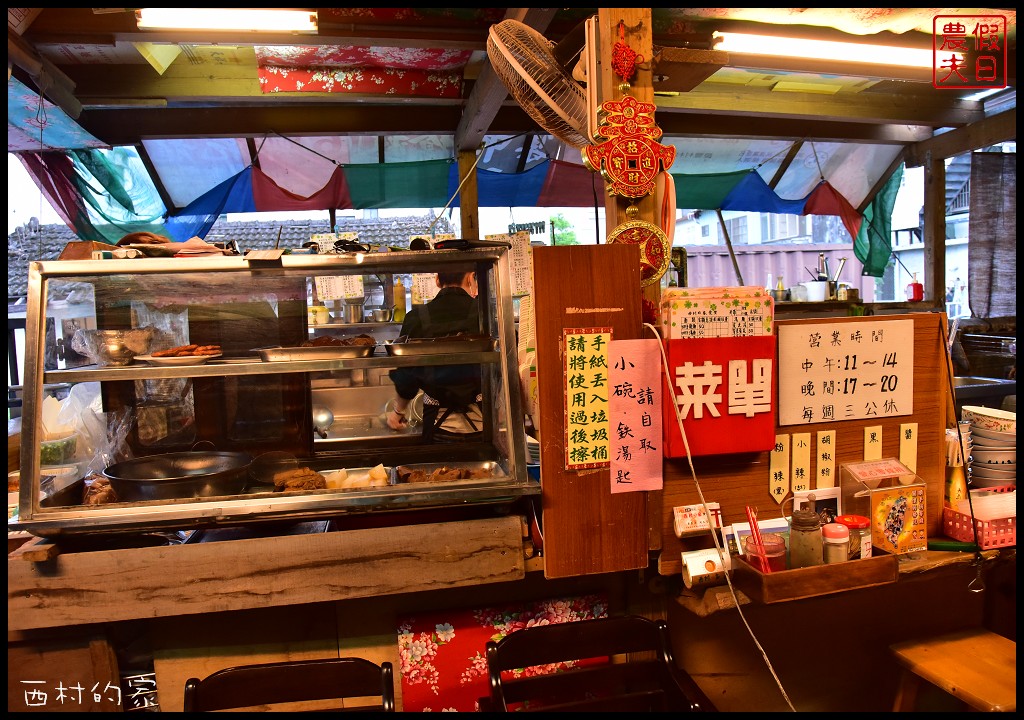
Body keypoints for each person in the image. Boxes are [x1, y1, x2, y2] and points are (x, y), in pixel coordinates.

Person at [386, 270, 483, 442]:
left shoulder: (417, 317)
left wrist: (398, 412)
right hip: (484, 421)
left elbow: (406, 376)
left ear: (437, 281)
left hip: (438, 424)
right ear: (470, 277)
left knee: (440, 470)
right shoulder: (486, 313)